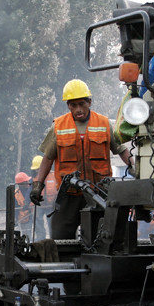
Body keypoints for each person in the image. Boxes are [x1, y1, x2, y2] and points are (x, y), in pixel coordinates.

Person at [30, 79, 134, 239]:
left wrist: (137, 171)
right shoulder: (58, 127)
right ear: (68, 106)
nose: (78, 109)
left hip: (98, 194)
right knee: (60, 238)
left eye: (81, 104)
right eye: (73, 105)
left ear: (89, 102)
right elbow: (48, 158)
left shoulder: (105, 124)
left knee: (102, 239)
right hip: (68, 195)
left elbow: (121, 150)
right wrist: (38, 186)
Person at [30, 155, 55, 240]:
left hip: (51, 205)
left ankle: (53, 239)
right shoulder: (34, 179)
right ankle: (41, 239)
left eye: (38, 168)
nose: (36, 170)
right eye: (35, 169)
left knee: (51, 223)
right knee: (37, 220)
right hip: (39, 205)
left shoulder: (53, 175)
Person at [13, 172, 32, 237]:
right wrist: (15, 219)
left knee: (39, 231)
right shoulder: (16, 194)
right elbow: (15, 208)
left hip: (35, 215)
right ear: (20, 184)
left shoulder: (32, 189)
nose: (27, 183)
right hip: (25, 218)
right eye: (25, 182)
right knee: (27, 235)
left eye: (27, 181)